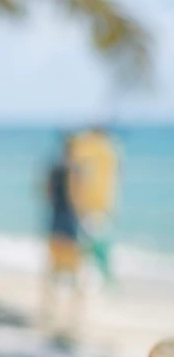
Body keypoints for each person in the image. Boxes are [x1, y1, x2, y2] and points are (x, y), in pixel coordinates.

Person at [42, 134, 85, 332]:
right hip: (70, 228)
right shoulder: (75, 171)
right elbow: (78, 199)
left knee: (53, 271)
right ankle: (72, 317)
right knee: (75, 275)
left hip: (54, 225)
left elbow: (47, 194)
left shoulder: (54, 170)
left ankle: (49, 312)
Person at [68, 125, 120, 284]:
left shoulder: (85, 148)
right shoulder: (111, 150)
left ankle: (91, 279)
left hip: (88, 206)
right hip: (103, 206)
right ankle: (104, 278)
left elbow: (76, 176)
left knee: (87, 245)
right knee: (96, 244)